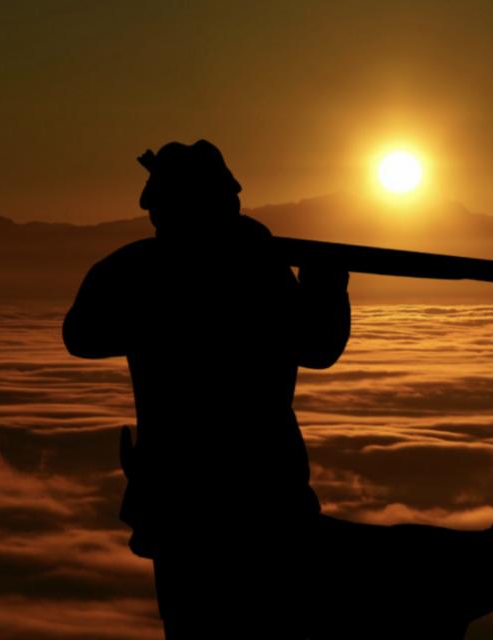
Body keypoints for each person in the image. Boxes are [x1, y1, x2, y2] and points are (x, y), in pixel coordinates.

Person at [62, 140, 350, 638]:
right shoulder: (255, 268)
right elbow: (319, 346)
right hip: (248, 500)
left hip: (199, 503)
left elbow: (81, 335)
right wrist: (325, 288)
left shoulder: (143, 270)